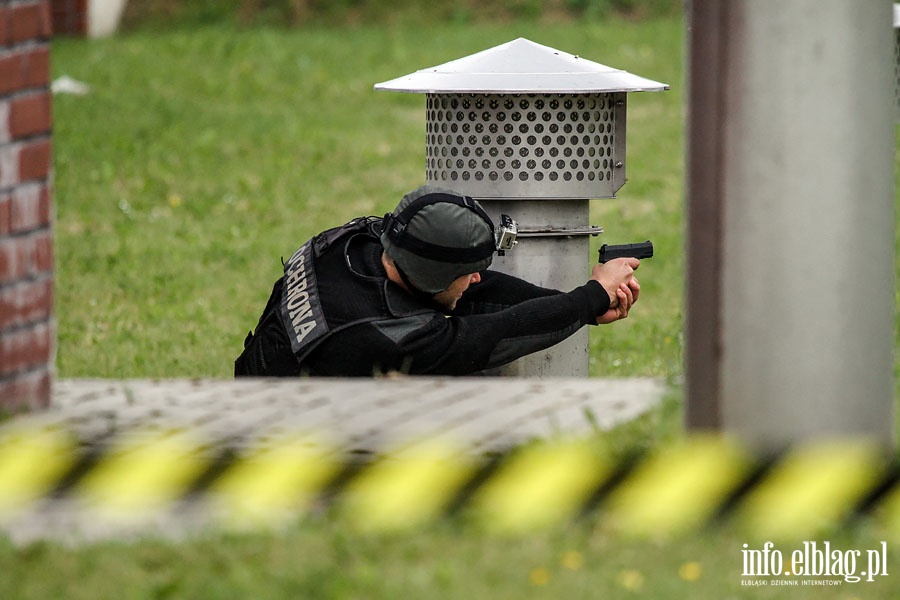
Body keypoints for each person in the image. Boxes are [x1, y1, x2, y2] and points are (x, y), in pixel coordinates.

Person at [234, 185, 641, 377]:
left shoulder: (360, 243)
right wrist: (590, 296)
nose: (478, 276)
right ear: (432, 275)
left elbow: (476, 291)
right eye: (467, 270)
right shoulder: (383, 334)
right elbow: (496, 334)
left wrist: (590, 302)